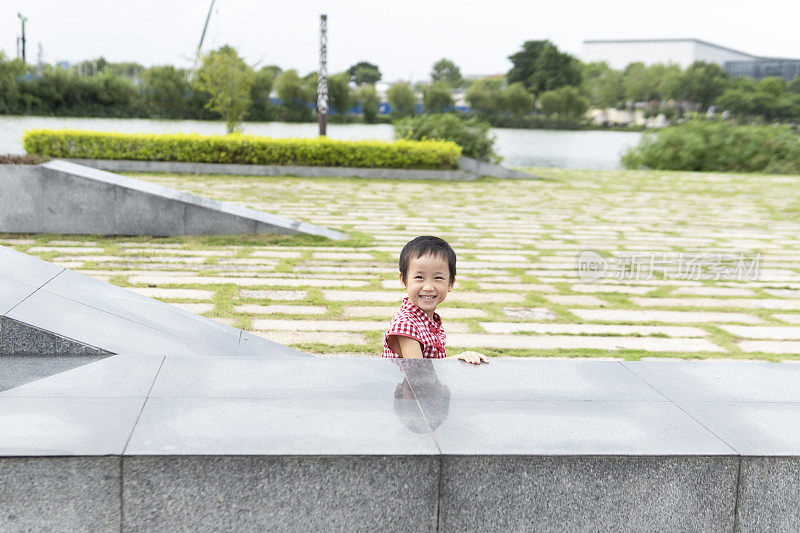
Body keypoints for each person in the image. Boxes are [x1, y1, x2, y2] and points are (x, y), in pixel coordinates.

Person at [383, 236, 488, 365]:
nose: (428, 287)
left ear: (451, 283)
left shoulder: (427, 320)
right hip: (405, 385)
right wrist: (458, 358)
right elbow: (419, 369)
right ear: (403, 280)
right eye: (419, 277)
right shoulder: (406, 324)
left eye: (438, 277)